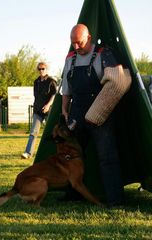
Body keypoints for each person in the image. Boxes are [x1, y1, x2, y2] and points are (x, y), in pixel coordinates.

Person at [61, 24, 124, 207]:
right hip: (76, 113)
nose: (76, 47)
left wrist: (104, 110)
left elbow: (118, 83)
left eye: (79, 43)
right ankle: (73, 193)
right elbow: (66, 89)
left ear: (89, 38)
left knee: (107, 157)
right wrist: (65, 110)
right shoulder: (70, 58)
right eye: (73, 44)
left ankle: (115, 200)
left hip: (100, 114)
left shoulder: (104, 54)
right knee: (71, 155)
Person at [21, 62, 57, 159]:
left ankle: (55, 153)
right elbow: (36, 96)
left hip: (48, 111)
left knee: (52, 132)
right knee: (33, 132)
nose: (41, 71)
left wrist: (48, 105)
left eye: (43, 68)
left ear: (47, 69)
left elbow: (54, 95)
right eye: (39, 69)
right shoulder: (36, 81)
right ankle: (28, 153)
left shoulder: (51, 81)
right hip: (37, 110)